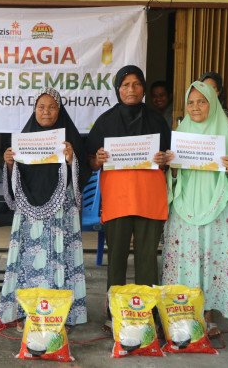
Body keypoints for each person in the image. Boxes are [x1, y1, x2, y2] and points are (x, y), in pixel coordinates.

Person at [86, 65, 171, 328]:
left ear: (143, 88)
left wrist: (164, 159)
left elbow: (169, 158)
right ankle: (115, 314)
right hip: (118, 199)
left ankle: (148, 315)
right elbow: (90, 160)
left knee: (147, 261)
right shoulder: (105, 121)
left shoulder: (157, 120)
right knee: (117, 260)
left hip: (148, 198)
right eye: (125, 85)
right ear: (117, 89)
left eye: (136, 84)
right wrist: (97, 160)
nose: (131, 90)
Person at [0, 88, 89, 330]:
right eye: (41, 107)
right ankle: (28, 312)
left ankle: (61, 314)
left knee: (61, 258)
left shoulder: (70, 140)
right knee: (30, 260)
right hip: (29, 213)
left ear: (59, 111)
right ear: (34, 110)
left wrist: (72, 160)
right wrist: (9, 164)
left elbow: (83, 174)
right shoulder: (24, 138)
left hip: (62, 212)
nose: (46, 112)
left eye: (51, 107)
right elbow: (15, 180)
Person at [162, 81, 228, 338]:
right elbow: (173, 176)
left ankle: (208, 315)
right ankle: (183, 313)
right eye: (191, 102)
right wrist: (173, 168)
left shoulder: (226, 133)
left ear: (212, 102)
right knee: (186, 258)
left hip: (218, 207)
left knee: (212, 257)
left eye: (202, 101)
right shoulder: (182, 131)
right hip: (185, 206)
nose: (195, 107)